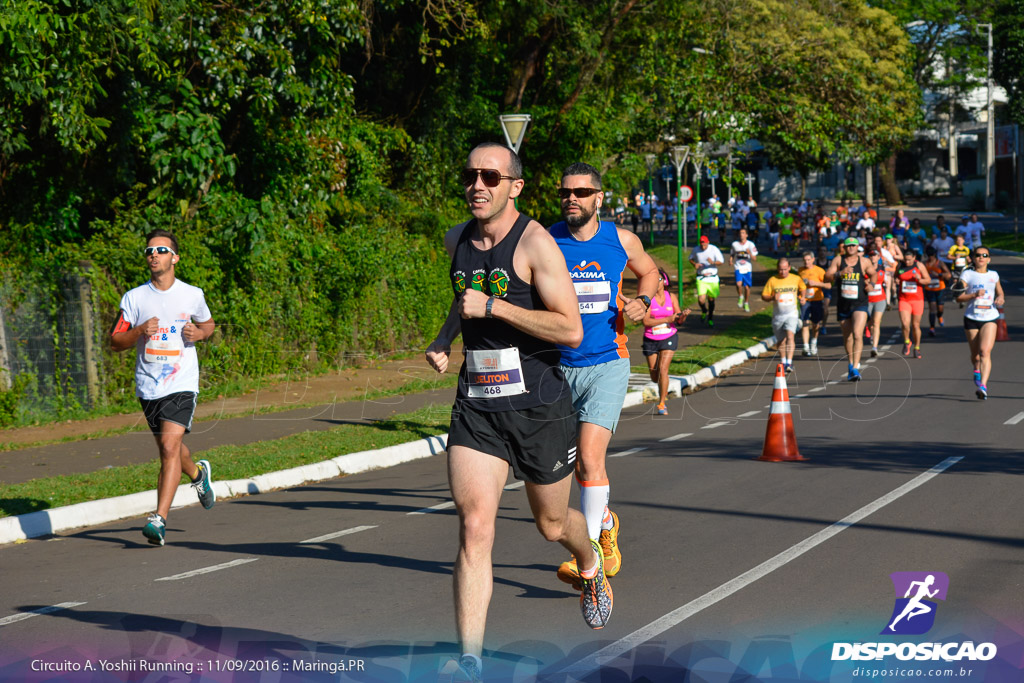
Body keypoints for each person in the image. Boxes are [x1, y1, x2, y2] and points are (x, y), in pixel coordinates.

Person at [424, 144, 609, 679]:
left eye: (490, 176)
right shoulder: (456, 238)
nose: (477, 184)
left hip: (539, 408)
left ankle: (590, 562)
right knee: (475, 526)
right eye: (470, 175)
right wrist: (444, 339)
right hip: (478, 404)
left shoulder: (536, 245)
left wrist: (497, 307)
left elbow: (570, 329)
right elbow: (464, 298)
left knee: (551, 525)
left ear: (515, 186)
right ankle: (470, 661)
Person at [549, 162, 659, 592]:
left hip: (607, 363)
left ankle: (589, 554)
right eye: (565, 192)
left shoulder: (621, 239)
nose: (571, 197)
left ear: (599, 198)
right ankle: (607, 521)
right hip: (556, 367)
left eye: (581, 191)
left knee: (592, 459)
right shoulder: (546, 239)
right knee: (575, 468)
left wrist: (643, 301)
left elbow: (650, 272)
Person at [109, 230, 217, 546]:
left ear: (174, 257)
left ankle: (159, 520)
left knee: (169, 448)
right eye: (149, 250)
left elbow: (208, 324)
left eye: (160, 250)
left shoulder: (191, 294)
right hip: (148, 384)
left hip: (182, 381)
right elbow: (115, 341)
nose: (153, 254)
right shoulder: (134, 298)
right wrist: (140, 330)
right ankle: (198, 475)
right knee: (168, 449)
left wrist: (199, 334)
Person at [954, 248, 1004, 400]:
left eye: (985, 255)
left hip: (990, 317)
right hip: (971, 317)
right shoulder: (967, 274)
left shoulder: (993, 275)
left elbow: (1000, 292)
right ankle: (976, 369)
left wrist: (1000, 298)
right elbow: (959, 297)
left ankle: (983, 386)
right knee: (976, 356)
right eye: (978, 255)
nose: (981, 257)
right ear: (973, 259)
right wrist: (973, 294)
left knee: (984, 352)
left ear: (989, 259)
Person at [826, 237, 876, 381]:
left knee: (857, 334)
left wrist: (871, 285)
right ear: (844, 248)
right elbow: (826, 277)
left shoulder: (864, 261)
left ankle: (855, 368)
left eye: (854, 245)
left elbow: (873, 274)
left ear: (858, 247)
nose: (851, 248)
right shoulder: (838, 260)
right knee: (847, 336)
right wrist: (839, 273)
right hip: (843, 304)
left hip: (860, 302)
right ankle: (850, 363)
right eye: (848, 246)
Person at [643, 269, 690, 415]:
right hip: (651, 338)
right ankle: (660, 391)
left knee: (663, 369)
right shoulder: (648, 300)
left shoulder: (672, 296)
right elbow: (645, 321)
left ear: (664, 282)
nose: (656, 282)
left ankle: (662, 403)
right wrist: (667, 319)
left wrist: (683, 316)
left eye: (658, 279)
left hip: (669, 336)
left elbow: (678, 319)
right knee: (654, 375)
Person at [761, 258, 807, 373]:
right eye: (780, 270)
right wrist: (772, 297)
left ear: (789, 268)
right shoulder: (773, 280)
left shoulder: (795, 278)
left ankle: (789, 363)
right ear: (777, 269)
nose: (783, 272)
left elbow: (803, 288)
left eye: (785, 269)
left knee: (790, 336)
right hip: (778, 316)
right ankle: (783, 361)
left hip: (792, 313)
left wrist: (803, 297)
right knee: (781, 340)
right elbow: (764, 296)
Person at [895, 249, 931, 358]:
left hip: (917, 300)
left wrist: (920, 280)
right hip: (904, 299)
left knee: (915, 325)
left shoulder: (919, 266)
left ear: (914, 258)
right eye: (905, 260)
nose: (907, 262)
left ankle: (917, 347)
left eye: (909, 260)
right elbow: (896, 276)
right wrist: (896, 280)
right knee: (905, 324)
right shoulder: (900, 266)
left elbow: (928, 280)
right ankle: (907, 341)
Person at [798, 251, 829, 356]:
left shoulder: (819, 271)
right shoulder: (800, 271)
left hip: (817, 300)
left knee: (816, 324)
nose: (806, 262)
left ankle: (813, 342)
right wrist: (800, 296)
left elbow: (828, 285)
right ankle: (805, 346)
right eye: (805, 260)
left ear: (813, 259)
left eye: (808, 260)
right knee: (805, 323)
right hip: (805, 300)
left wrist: (816, 283)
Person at [690, 235, 725, 327]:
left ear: (708, 242)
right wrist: (695, 264)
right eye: (701, 244)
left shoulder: (714, 249)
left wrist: (713, 262)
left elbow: (721, 261)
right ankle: (704, 310)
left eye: (704, 244)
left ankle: (710, 318)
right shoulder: (696, 250)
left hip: (712, 278)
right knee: (701, 300)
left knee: (711, 299)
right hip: (701, 278)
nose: (703, 246)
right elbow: (690, 259)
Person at [922, 246, 951, 336]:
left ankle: (940, 316)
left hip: (940, 288)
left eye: (932, 255)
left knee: (940, 308)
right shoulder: (924, 264)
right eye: (929, 255)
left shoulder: (940, 263)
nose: (931, 257)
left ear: (935, 255)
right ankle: (932, 328)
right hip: (929, 289)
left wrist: (939, 274)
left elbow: (948, 274)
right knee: (932, 308)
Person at [864, 249, 887, 358]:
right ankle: (870, 331)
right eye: (871, 256)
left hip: (880, 299)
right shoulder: (865, 269)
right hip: (868, 299)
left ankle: (874, 347)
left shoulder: (882, 269)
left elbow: (885, 281)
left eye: (875, 256)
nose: (873, 257)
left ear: (879, 258)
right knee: (869, 322)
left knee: (876, 322)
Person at [730, 227, 758, 312]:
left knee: (746, 287)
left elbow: (754, 259)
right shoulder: (735, 244)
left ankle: (746, 303)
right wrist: (730, 260)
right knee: (738, 284)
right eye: (740, 233)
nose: (741, 235)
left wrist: (749, 253)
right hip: (738, 267)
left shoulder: (750, 244)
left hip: (747, 268)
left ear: (746, 235)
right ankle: (740, 296)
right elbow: (732, 254)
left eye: (743, 233)